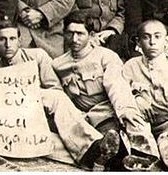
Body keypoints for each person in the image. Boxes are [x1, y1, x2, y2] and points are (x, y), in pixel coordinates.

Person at [0, 20, 123, 171]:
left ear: (20, 40)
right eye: (2, 39)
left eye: (12, 39)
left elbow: (56, 89)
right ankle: (94, 156)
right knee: (38, 140)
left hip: (47, 111)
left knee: (55, 100)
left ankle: (93, 151)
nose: (8, 44)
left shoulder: (37, 57)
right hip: (24, 118)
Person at [52, 12, 160, 171]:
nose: (74, 39)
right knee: (60, 137)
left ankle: (143, 157)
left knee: (124, 128)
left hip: (106, 113)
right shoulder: (57, 64)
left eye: (80, 34)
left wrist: (125, 111)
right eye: (70, 33)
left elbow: (116, 86)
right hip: (79, 118)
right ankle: (100, 157)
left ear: (91, 35)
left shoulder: (106, 57)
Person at [122, 20, 168, 171]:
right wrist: (136, 97)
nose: (152, 42)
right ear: (138, 41)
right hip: (161, 132)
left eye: (157, 37)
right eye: (146, 37)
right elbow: (121, 94)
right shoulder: (130, 67)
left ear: (166, 41)